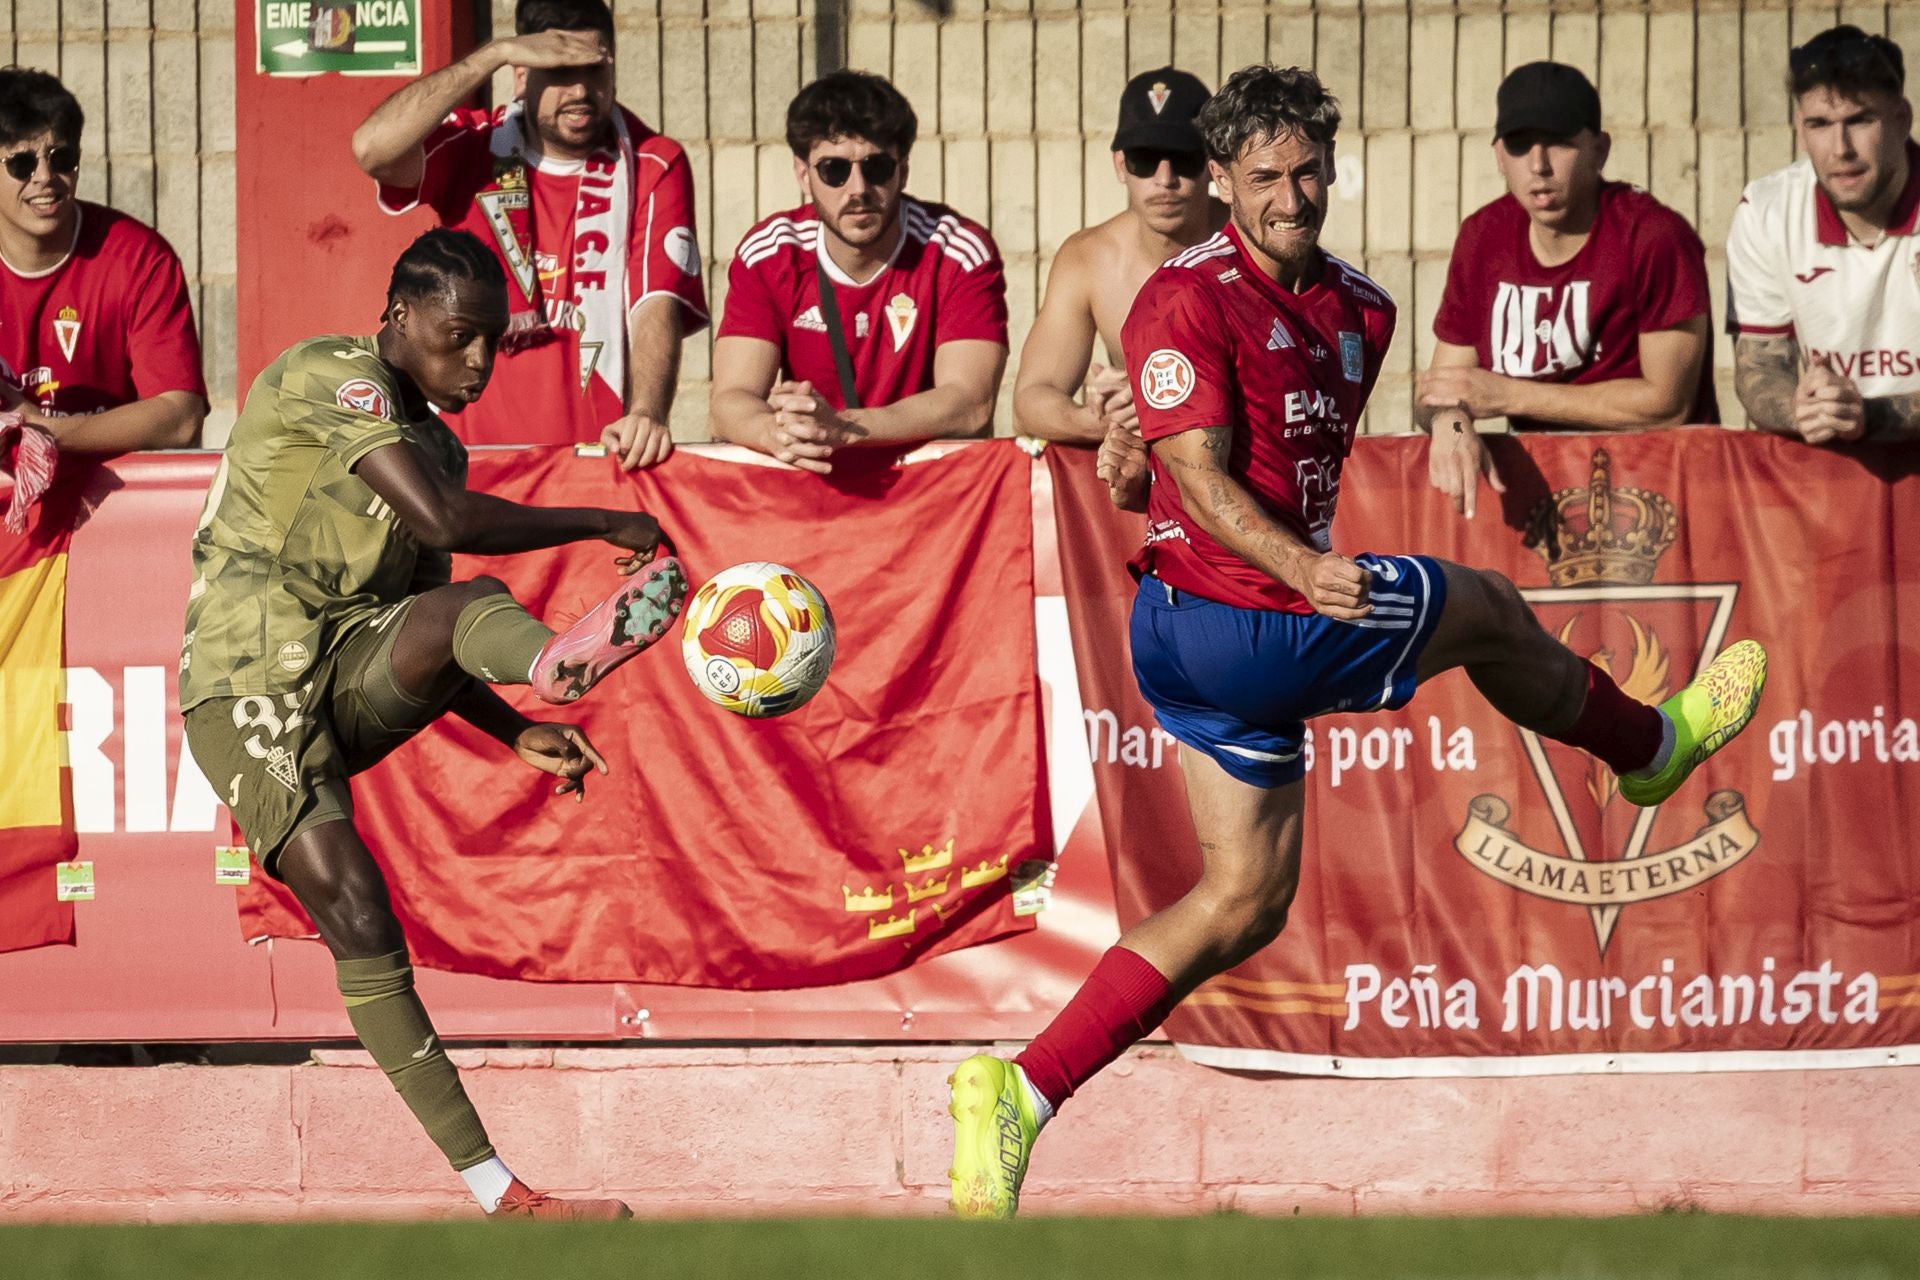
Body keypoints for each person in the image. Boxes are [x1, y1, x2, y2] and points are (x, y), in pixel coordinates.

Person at [946, 64, 1770, 1221]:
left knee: (1244, 899)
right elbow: (1198, 478)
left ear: (1332, 168)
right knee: (1488, 605)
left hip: (1203, 635)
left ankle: (1021, 1088)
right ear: (1222, 179)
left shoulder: (1363, 311)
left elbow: (1178, 477)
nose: (1290, 196)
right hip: (1245, 619)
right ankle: (1648, 745)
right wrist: (1296, 565)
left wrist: (1160, 476)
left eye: (1306, 172)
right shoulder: (1182, 298)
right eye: (1263, 176)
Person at [179, 229, 689, 1218]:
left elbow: (426, 623)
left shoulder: (441, 447)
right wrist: (602, 519)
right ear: (399, 316)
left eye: (493, 340)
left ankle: (548, 667)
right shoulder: (332, 374)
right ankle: (502, 1194)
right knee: (360, 911)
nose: (480, 361)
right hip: (246, 686)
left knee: (465, 605)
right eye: (460, 337)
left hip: (345, 674)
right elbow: (445, 522)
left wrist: (513, 730)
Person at [352, 0, 706, 468]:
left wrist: (647, 413)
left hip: (595, 459)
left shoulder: (652, 161)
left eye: (595, 70)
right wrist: (493, 54)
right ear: (522, 74)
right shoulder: (474, 142)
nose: (581, 90)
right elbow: (372, 149)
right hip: (463, 461)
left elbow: (654, 304)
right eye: (560, 71)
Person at [1419, 61, 1717, 518]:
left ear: (1600, 149)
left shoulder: (1653, 236)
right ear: (1498, 155)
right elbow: (1441, 391)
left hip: (1660, 502)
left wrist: (1508, 395)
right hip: (1541, 502)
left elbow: (1667, 405)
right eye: (1519, 145)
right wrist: (1452, 423)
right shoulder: (1483, 237)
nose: (1538, 165)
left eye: (1558, 141)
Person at [709, 71, 1008, 475]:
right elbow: (730, 400)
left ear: (903, 170)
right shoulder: (771, 253)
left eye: (877, 167)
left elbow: (969, 404)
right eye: (834, 170)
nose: (857, 189)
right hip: (816, 480)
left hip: (929, 490)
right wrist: (777, 432)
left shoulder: (957, 250)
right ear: (803, 174)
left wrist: (845, 427)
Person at [1013, 66, 1227, 501]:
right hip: (1150, 494)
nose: (1165, 180)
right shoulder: (1090, 259)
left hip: (1246, 474)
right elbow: (1030, 401)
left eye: (1183, 159)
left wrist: (1157, 403)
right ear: (1119, 165)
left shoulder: (1251, 245)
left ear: (1212, 164)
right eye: (1144, 160)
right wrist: (1098, 420)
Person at [1727, 25, 1920, 444]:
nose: (1840, 149)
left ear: (1901, 119)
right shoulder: (1766, 210)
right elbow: (1760, 367)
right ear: (1800, 128)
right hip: (1833, 464)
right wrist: (1801, 410)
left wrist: (1870, 414)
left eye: (1860, 120)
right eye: (1819, 124)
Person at [0, 66, 205, 450]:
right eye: (21, 164)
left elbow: (182, 419)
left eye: (61, 158)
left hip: (105, 485)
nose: (45, 176)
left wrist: (40, 431)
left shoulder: (139, 259)